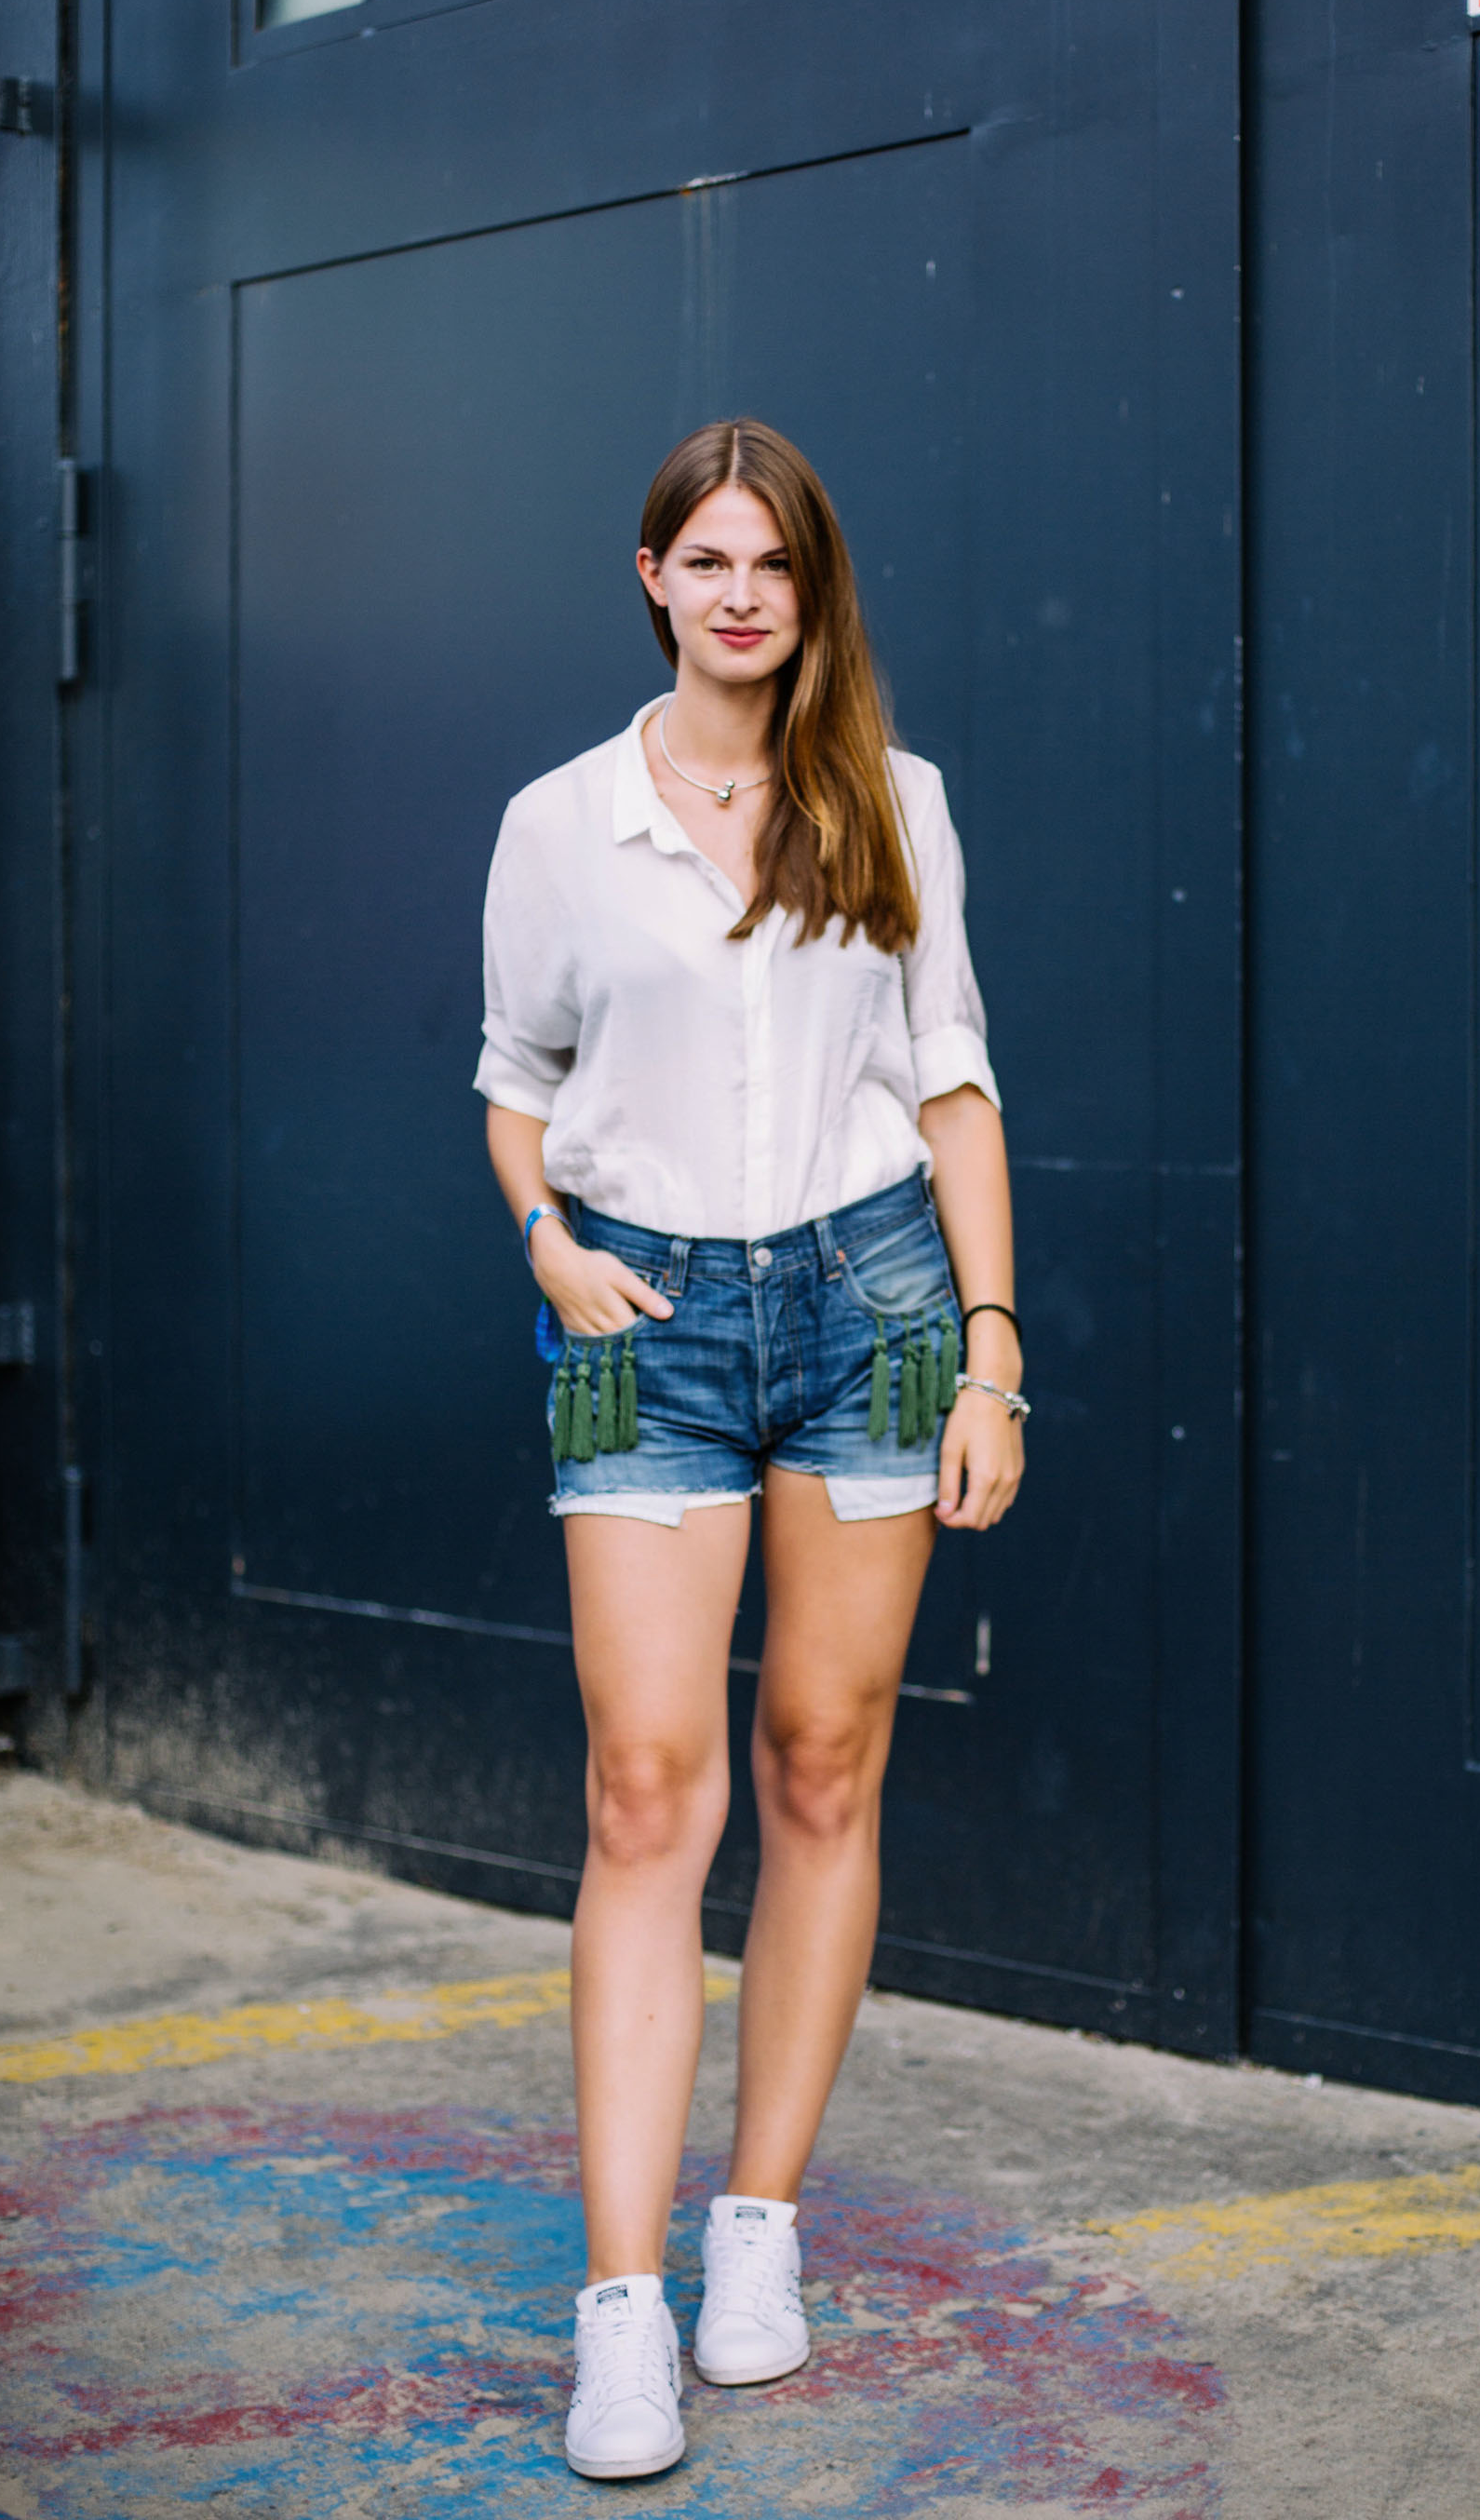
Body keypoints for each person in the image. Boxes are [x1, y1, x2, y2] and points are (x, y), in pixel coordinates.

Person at [475, 418, 1027, 2482]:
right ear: (650, 575)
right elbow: (513, 1075)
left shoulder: (894, 804)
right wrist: (542, 1235)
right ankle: (622, 2308)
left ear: (810, 589)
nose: (737, 595)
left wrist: (989, 1351)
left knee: (820, 1756)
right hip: (637, 1322)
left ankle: (756, 2228)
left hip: (878, 1299)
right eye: (703, 560)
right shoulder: (559, 824)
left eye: (770, 565)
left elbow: (950, 1082)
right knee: (644, 1790)